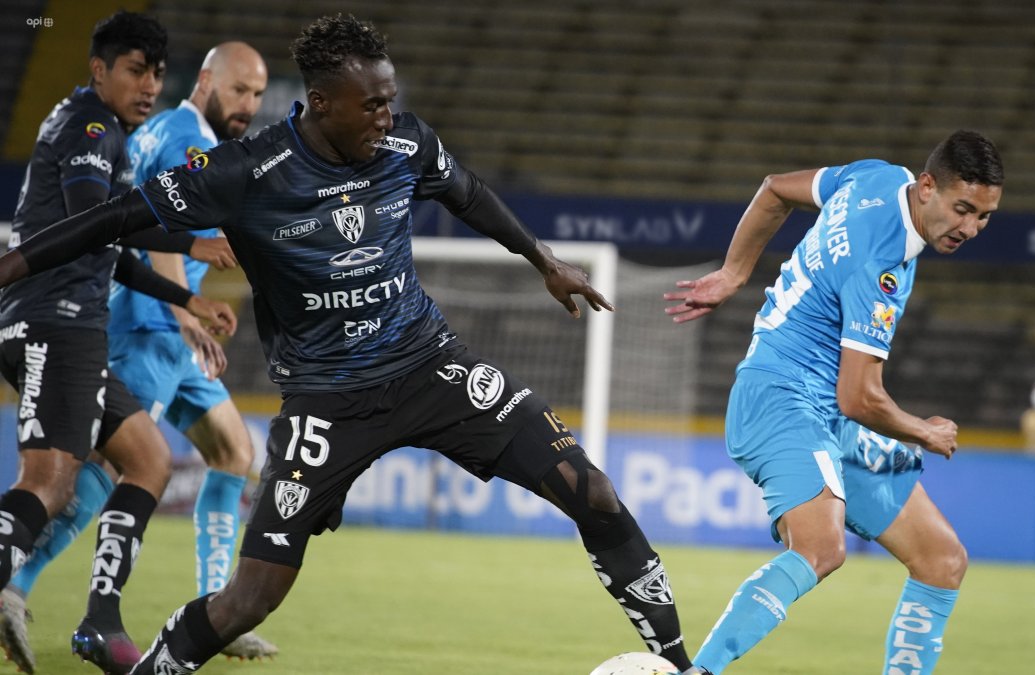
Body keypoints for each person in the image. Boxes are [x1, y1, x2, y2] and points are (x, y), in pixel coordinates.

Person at [0, 14, 694, 673]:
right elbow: (110, 218)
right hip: (325, 403)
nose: (387, 118)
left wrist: (542, 259)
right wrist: (9, 265)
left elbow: (468, 193)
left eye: (390, 101)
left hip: (430, 367)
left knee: (594, 491)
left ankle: (684, 662)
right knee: (250, 599)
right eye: (373, 105)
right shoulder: (244, 172)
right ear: (322, 102)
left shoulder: (403, 143)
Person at [663, 130, 1004, 674]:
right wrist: (925, 432)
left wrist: (734, 272)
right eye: (962, 209)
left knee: (941, 560)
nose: (970, 228)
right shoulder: (883, 265)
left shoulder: (878, 176)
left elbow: (775, 190)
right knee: (821, 549)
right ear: (927, 187)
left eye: (984, 216)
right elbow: (860, 397)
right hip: (782, 398)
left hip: (822, 410)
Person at [0, 41, 279, 666]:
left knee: (233, 452)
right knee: (101, 471)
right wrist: (184, 309)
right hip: (150, 330)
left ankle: (216, 608)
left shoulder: (160, 129)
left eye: (258, 94)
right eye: (239, 90)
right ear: (207, 80)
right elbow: (139, 218)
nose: (249, 105)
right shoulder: (181, 138)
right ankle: (19, 586)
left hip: (171, 332)